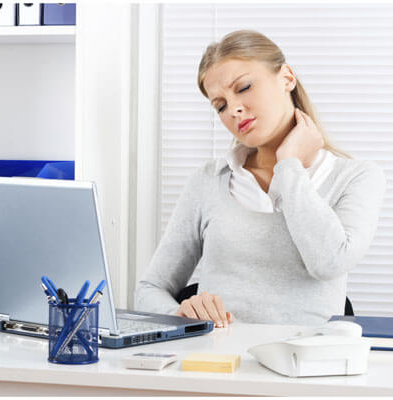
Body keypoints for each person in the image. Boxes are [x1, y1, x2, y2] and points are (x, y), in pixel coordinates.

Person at [134, 30, 386, 328]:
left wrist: (289, 166)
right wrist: (183, 315)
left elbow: (329, 263)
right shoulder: (208, 181)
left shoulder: (356, 177)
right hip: (216, 365)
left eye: (244, 87)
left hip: (305, 367)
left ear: (287, 78)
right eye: (220, 105)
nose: (234, 110)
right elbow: (149, 290)